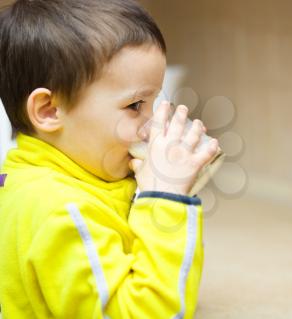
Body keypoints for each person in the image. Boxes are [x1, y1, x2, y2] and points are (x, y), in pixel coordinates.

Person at [0, 0, 219, 318]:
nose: (150, 126)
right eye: (134, 106)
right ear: (49, 110)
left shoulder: (82, 175)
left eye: (154, 102)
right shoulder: (58, 212)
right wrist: (166, 200)